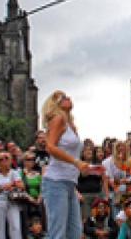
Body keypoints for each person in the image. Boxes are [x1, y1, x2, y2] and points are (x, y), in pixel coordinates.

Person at [41, 90, 102, 239]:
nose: (68, 98)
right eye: (63, 98)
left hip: (70, 183)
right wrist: (76, 162)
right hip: (56, 181)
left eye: (67, 96)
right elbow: (50, 147)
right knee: (58, 233)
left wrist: (86, 168)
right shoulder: (58, 119)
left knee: (75, 232)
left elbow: (72, 155)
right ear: (55, 104)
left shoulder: (71, 125)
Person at [0, 151, 24, 239]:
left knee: (16, 226)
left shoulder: (14, 173)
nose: (4, 160)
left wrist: (11, 184)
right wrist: (2, 188)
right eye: (1, 159)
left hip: (13, 201)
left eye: (6, 158)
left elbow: (22, 186)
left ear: (10, 160)